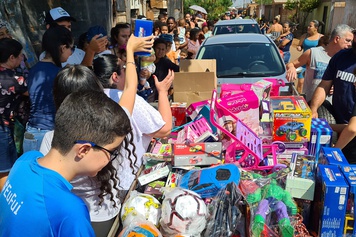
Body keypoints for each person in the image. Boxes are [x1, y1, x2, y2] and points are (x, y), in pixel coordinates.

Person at [38, 35, 154, 237]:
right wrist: (129, 54)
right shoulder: (113, 126)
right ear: (96, 93)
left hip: (69, 220)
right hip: (105, 214)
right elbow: (129, 88)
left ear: (58, 98)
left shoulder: (50, 139)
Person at [0, 90, 130, 236]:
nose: (111, 159)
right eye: (112, 151)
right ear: (83, 150)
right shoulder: (70, 210)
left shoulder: (25, 160)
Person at [23, 25, 73, 153]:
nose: (71, 53)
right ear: (62, 48)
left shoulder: (33, 70)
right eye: (70, 48)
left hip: (31, 133)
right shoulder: (59, 74)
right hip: (48, 135)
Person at [286, 24, 354, 102]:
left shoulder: (346, 60)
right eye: (348, 40)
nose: (350, 44)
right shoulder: (313, 53)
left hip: (332, 109)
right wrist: (291, 68)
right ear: (337, 39)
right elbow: (291, 64)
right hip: (310, 104)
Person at [309, 30, 356, 125]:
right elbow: (324, 86)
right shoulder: (340, 56)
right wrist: (313, 109)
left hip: (352, 127)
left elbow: (352, 129)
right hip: (335, 119)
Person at [0, 38, 28, 190]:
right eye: (20, 56)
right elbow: (32, 92)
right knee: (5, 170)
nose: (22, 58)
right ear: (11, 57)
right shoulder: (16, 80)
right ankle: (5, 204)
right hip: (2, 128)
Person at [41, 7, 107, 67]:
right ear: (49, 28)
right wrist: (91, 50)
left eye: (69, 26)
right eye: (62, 27)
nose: (67, 30)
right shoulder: (46, 58)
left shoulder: (82, 54)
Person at [296, 20, 323, 86]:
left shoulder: (321, 38)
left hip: (315, 64)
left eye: (310, 26)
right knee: (301, 82)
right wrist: (299, 47)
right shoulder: (304, 36)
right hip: (304, 63)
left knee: (313, 83)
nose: (308, 27)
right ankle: (299, 96)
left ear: (316, 28)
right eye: (308, 25)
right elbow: (300, 45)